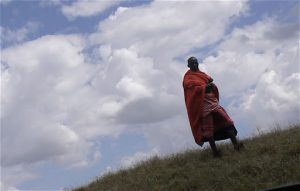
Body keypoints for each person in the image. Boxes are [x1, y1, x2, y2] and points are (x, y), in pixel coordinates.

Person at [183, 56, 243, 157]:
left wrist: (211, 86)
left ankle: (236, 145)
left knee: (227, 122)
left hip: (212, 102)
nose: (194, 64)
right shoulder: (188, 78)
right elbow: (191, 89)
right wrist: (204, 87)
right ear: (188, 65)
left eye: (196, 62)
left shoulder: (202, 74)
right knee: (208, 130)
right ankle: (215, 152)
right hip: (202, 105)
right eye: (192, 63)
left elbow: (209, 81)